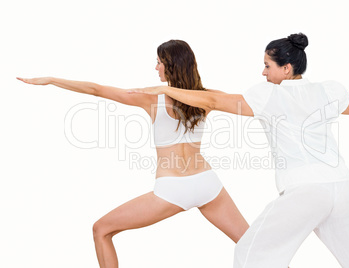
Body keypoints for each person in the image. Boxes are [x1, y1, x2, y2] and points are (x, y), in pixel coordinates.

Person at [130, 33, 349, 267]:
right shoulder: (328, 91)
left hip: (307, 190)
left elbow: (212, 100)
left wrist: (168, 90)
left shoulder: (269, 95)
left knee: (251, 254)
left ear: (286, 68)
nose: (263, 72)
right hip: (343, 187)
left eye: (267, 66)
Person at [17, 40, 249, 268]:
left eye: (159, 62)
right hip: (207, 184)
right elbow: (250, 106)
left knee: (101, 230)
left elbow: (96, 90)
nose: (156, 67)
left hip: (173, 189)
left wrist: (51, 80)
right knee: (252, 245)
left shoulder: (151, 98)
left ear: (172, 65)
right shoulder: (208, 97)